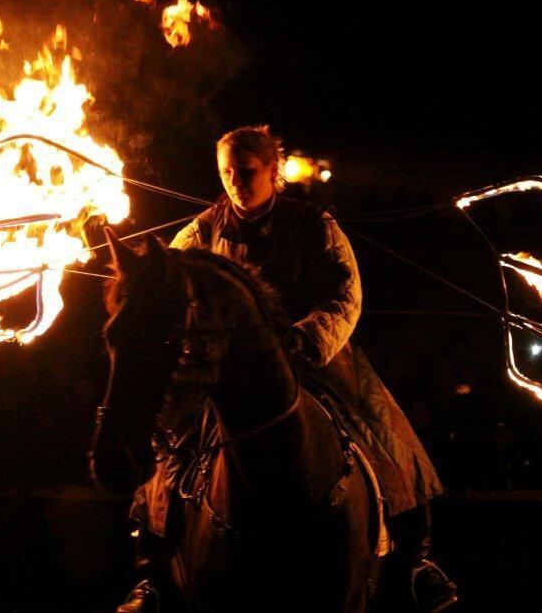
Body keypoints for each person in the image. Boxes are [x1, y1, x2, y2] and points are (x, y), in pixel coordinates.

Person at [117, 126, 457, 613]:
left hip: (312, 359)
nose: (237, 182)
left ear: (273, 172)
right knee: (171, 445)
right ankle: (150, 572)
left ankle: (419, 562)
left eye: (247, 171)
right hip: (229, 375)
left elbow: (346, 292)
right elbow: (172, 288)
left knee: (385, 431)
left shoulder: (314, 223)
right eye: (227, 173)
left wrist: (308, 337)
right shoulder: (200, 233)